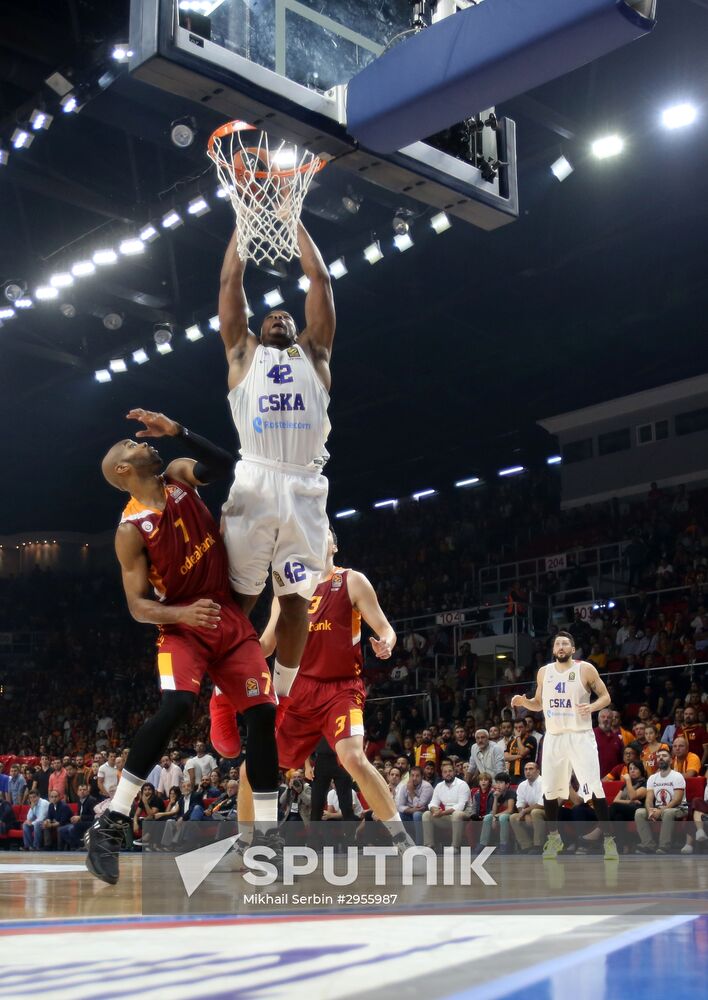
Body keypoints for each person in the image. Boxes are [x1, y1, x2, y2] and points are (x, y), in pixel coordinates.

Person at [86, 409, 280, 885]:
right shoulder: (130, 530)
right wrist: (182, 615)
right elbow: (137, 605)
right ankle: (112, 820)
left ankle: (269, 837)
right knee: (174, 706)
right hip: (182, 625)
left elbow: (225, 465)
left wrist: (178, 431)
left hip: (226, 617)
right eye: (133, 447)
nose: (143, 443)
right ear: (123, 472)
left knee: (262, 713)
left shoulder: (177, 476)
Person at [220, 530, 423, 859]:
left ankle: (403, 843)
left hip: (341, 689)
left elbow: (385, 627)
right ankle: (245, 842)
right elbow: (267, 644)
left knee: (354, 758)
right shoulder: (286, 591)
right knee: (249, 769)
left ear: (334, 545)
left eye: (323, 532)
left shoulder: (352, 581)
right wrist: (234, 652)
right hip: (297, 693)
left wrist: (386, 642)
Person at [218, 221, 335, 709]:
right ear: (257, 329)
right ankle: (227, 690)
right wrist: (246, 223)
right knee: (240, 599)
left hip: (305, 484)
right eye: (270, 317)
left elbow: (321, 282)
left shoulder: (315, 352)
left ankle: (282, 695)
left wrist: (295, 218)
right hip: (256, 478)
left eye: (286, 316)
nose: (279, 317)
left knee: (294, 602)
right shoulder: (242, 353)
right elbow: (230, 284)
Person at [511, 630, 618, 861]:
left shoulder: (585, 668)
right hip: (554, 737)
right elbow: (538, 704)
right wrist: (524, 702)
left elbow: (606, 697)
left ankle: (609, 839)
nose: (561, 647)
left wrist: (592, 707)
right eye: (557, 643)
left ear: (572, 649)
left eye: (565, 644)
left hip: (580, 735)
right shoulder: (544, 672)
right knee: (549, 790)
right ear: (553, 650)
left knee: (594, 788)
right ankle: (553, 837)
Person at [634, 748, 688, 854]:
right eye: (659, 756)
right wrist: (650, 810)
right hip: (659, 808)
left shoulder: (677, 776)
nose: (661, 758)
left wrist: (661, 811)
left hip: (679, 808)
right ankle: (649, 845)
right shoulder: (652, 778)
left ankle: (664, 846)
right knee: (639, 812)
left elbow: (677, 800)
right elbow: (649, 799)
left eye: (664, 755)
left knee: (667, 812)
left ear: (671, 760)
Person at [422, 759, 471, 851]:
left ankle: (455, 847)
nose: (448, 773)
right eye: (445, 772)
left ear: (455, 772)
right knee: (426, 814)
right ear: (442, 774)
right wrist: (434, 810)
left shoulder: (462, 784)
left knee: (457, 814)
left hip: (463, 815)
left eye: (450, 771)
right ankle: (429, 846)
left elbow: (461, 806)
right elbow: (432, 803)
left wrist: (442, 813)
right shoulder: (439, 786)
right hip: (447, 817)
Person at [607, 760, 647, 853]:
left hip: (639, 811)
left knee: (615, 807)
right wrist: (629, 801)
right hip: (626, 810)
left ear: (641, 770)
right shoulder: (625, 785)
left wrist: (628, 780)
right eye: (630, 769)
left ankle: (599, 831)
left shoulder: (645, 782)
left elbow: (634, 796)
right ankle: (622, 846)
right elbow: (615, 800)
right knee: (618, 816)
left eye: (635, 769)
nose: (632, 771)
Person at [509, 761, 545, 853]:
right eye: (526, 769)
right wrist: (523, 814)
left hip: (547, 811)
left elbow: (542, 804)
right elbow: (520, 803)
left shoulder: (544, 782)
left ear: (538, 771)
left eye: (531, 769)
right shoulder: (522, 785)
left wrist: (525, 812)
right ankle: (526, 846)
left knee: (535, 812)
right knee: (513, 817)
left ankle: (539, 846)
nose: (528, 771)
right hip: (530, 812)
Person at [478, 772, 516, 854]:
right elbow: (494, 812)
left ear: (507, 784)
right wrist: (495, 798)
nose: (498, 785)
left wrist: (495, 817)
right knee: (488, 817)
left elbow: (510, 810)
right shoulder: (495, 793)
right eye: (497, 782)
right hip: (500, 815)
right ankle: (483, 844)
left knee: (503, 817)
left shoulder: (510, 792)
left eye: (501, 783)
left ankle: (504, 845)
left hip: (512, 816)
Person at [57, 784, 97, 851]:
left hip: (90, 822)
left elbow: (93, 816)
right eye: (80, 790)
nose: (82, 791)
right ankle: (76, 845)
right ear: (77, 792)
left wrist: (80, 818)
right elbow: (79, 814)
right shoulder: (79, 800)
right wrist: (75, 818)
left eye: (84, 790)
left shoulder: (92, 800)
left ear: (88, 791)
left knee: (73, 828)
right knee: (61, 830)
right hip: (81, 822)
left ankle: (80, 845)